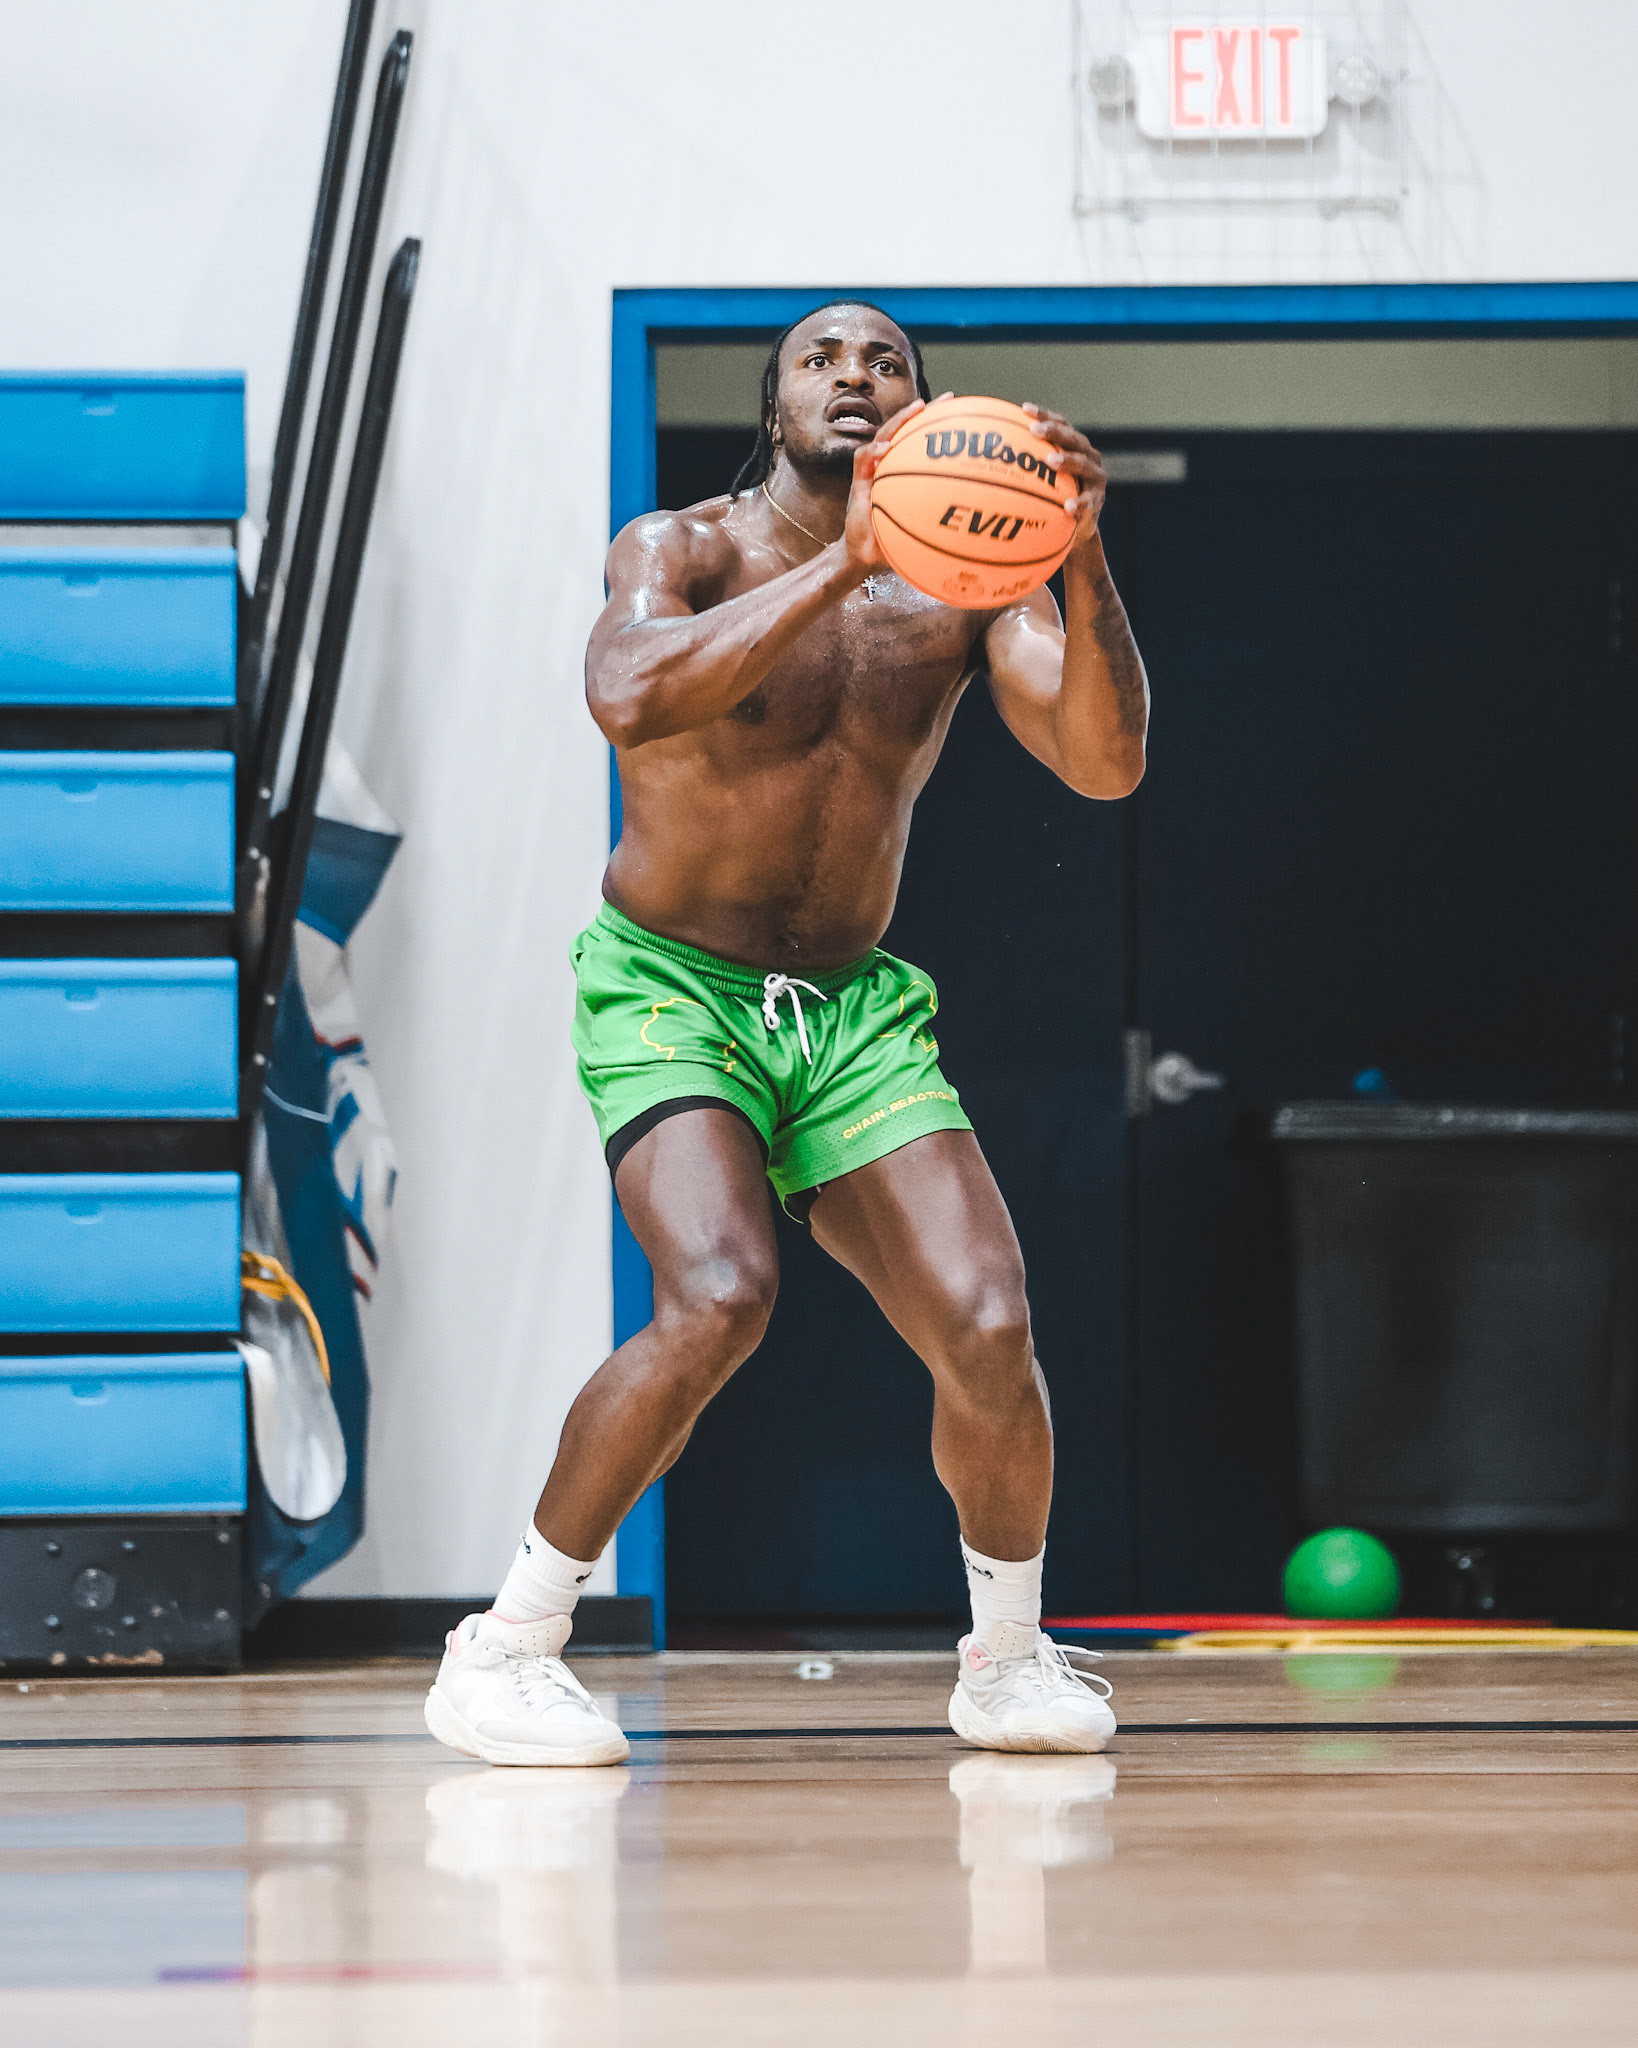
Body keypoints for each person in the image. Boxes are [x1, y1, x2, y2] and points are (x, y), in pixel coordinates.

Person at [425, 300, 1149, 1768]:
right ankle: (504, 1647)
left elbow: (1104, 764)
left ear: (923, 415)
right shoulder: (680, 548)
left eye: (886, 362)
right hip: (668, 981)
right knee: (717, 1295)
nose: (855, 377)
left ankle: (1006, 1661)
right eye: (823, 359)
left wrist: (1080, 558)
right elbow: (625, 693)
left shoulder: (969, 587)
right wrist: (846, 563)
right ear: (776, 408)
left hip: (849, 1006)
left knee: (988, 1323)